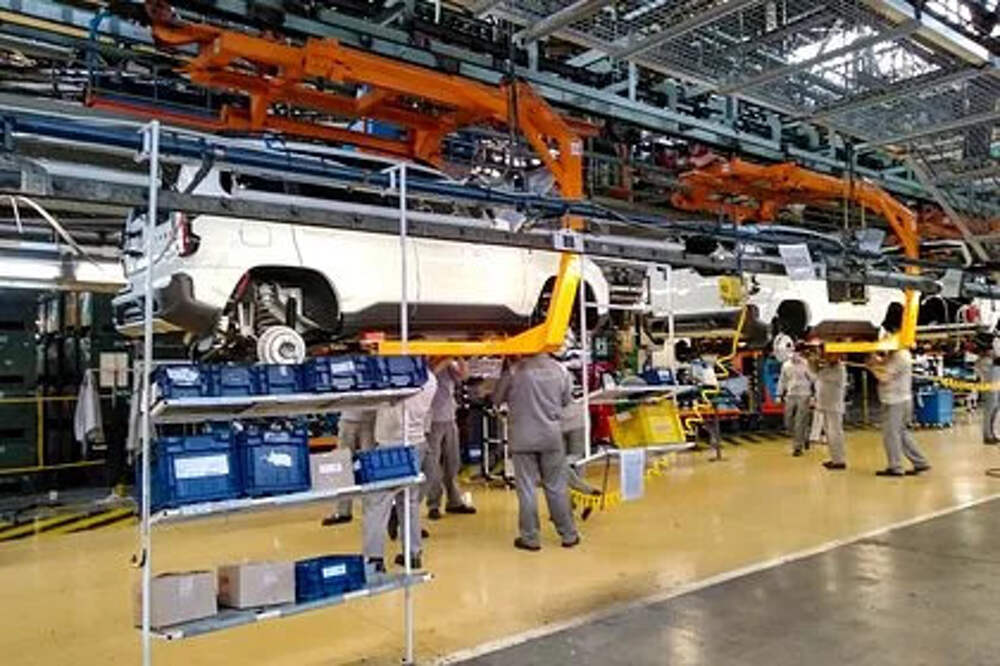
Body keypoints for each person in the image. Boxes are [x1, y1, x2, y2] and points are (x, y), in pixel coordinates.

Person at [493, 354, 580, 551]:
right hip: (551, 436)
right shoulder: (560, 370)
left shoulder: (514, 371)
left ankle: (530, 538)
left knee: (526, 489)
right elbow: (567, 401)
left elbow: (496, 399)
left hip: (522, 437)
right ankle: (568, 534)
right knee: (556, 486)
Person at [362, 369, 437, 571]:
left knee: (378, 502)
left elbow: (392, 413)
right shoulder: (430, 379)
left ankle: (374, 559)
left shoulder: (397, 377)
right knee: (409, 502)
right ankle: (413, 553)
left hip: (391, 447)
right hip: (417, 442)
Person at [425, 357, 476, 519]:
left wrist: (459, 357)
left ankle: (454, 500)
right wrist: (444, 361)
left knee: (453, 462)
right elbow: (428, 377)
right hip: (432, 420)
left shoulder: (449, 366)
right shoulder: (425, 364)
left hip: (449, 418)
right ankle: (433, 504)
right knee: (433, 465)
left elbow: (464, 375)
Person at [867, 349, 930, 477]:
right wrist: (875, 360)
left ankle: (895, 467)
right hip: (898, 399)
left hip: (895, 401)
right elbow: (885, 365)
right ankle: (920, 462)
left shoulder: (900, 356)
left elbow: (884, 377)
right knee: (901, 433)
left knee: (891, 435)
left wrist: (872, 368)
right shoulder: (894, 354)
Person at [322, 408, 375, 526]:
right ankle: (342, 511)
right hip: (348, 419)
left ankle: (372, 511)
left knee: (369, 468)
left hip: (371, 420)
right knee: (343, 466)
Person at [777, 348, 814, 456]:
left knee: (800, 420)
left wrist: (814, 394)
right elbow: (782, 380)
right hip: (791, 394)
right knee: (788, 419)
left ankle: (797, 447)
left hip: (804, 394)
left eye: (798, 352)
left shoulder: (806, 364)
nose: (795, 355)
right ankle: (804, 436)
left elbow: (813, 378)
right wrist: (779, 394)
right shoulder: (786, 365)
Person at [813, 354, 847, 470]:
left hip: (834, 406)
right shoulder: (828, 366)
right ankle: (834, 458)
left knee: (835, 433)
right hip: (826, 404)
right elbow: (815, 373)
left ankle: (839, 461)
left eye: (830, 356)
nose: (827, 357)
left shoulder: (839, 369)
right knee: (829, 433)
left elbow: (821, 375)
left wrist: (816, 362)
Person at [978, 349, 998, 444]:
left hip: (997, 384)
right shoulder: (984, 361)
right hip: (989, 386)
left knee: (995, 409)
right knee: (989, 410)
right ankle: (987, 435)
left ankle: (991, 433)